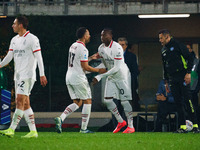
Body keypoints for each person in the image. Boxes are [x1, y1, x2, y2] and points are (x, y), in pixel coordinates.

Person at [0, 16, 48, 138]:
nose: (12, 25)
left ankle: (11, 129)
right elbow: (9, 57)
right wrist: (0, 65)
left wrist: (42, 74)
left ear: (21, 25)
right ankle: (33, 131)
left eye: (14, 23)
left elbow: (39, 58)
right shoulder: (14, 39)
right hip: (18, 75)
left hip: (27, 75)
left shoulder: (32, 39)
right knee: (26, 104)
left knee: (19, 101)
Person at [54, 27, 106, 133]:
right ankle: (83, 129)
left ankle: (61, 118)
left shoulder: (73, 45)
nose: (89, 36)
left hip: (69, 76)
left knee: (77, 102)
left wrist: (91, 58)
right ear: (84, 36)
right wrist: (98, 70)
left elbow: (78, 61)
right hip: (78, 77)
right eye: (88, 34)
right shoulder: (83, 49)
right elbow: (85, 67)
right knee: (88, 101)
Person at [92, 28, 135, 133]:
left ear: (110, 36)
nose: (103, 37)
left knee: (124, 102)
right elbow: (105, 64)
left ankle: (131, 126)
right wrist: (92, 71)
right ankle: (120, 122)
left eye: (105, 35)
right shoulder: (101, 48)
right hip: (111, 76)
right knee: (107, 100)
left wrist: (100, 76)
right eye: (102, 35)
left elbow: (116, 68)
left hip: (122, 77)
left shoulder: (117, 48)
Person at [159, 29, 200, 133]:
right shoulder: (163, 50)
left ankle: (195, 125)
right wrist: (166, 81)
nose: (160, 40)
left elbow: (190, 58)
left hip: (183, 76)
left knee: (188, 100)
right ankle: (183, 127)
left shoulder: (178, 45)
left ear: (167, 37)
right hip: (172, 78)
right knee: (178, 103)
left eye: (161, 38)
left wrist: (188, 73)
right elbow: (165, 66)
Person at [118, 37, 140, 111]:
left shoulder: (131, 56)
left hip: (128, 83)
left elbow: (135, 71)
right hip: (116, 83)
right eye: (119, 45)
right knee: (117, 105)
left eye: (122, 45)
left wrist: (130, 80)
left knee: (128, 105)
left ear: (126, 46)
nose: (121, 47)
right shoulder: (113, 56)